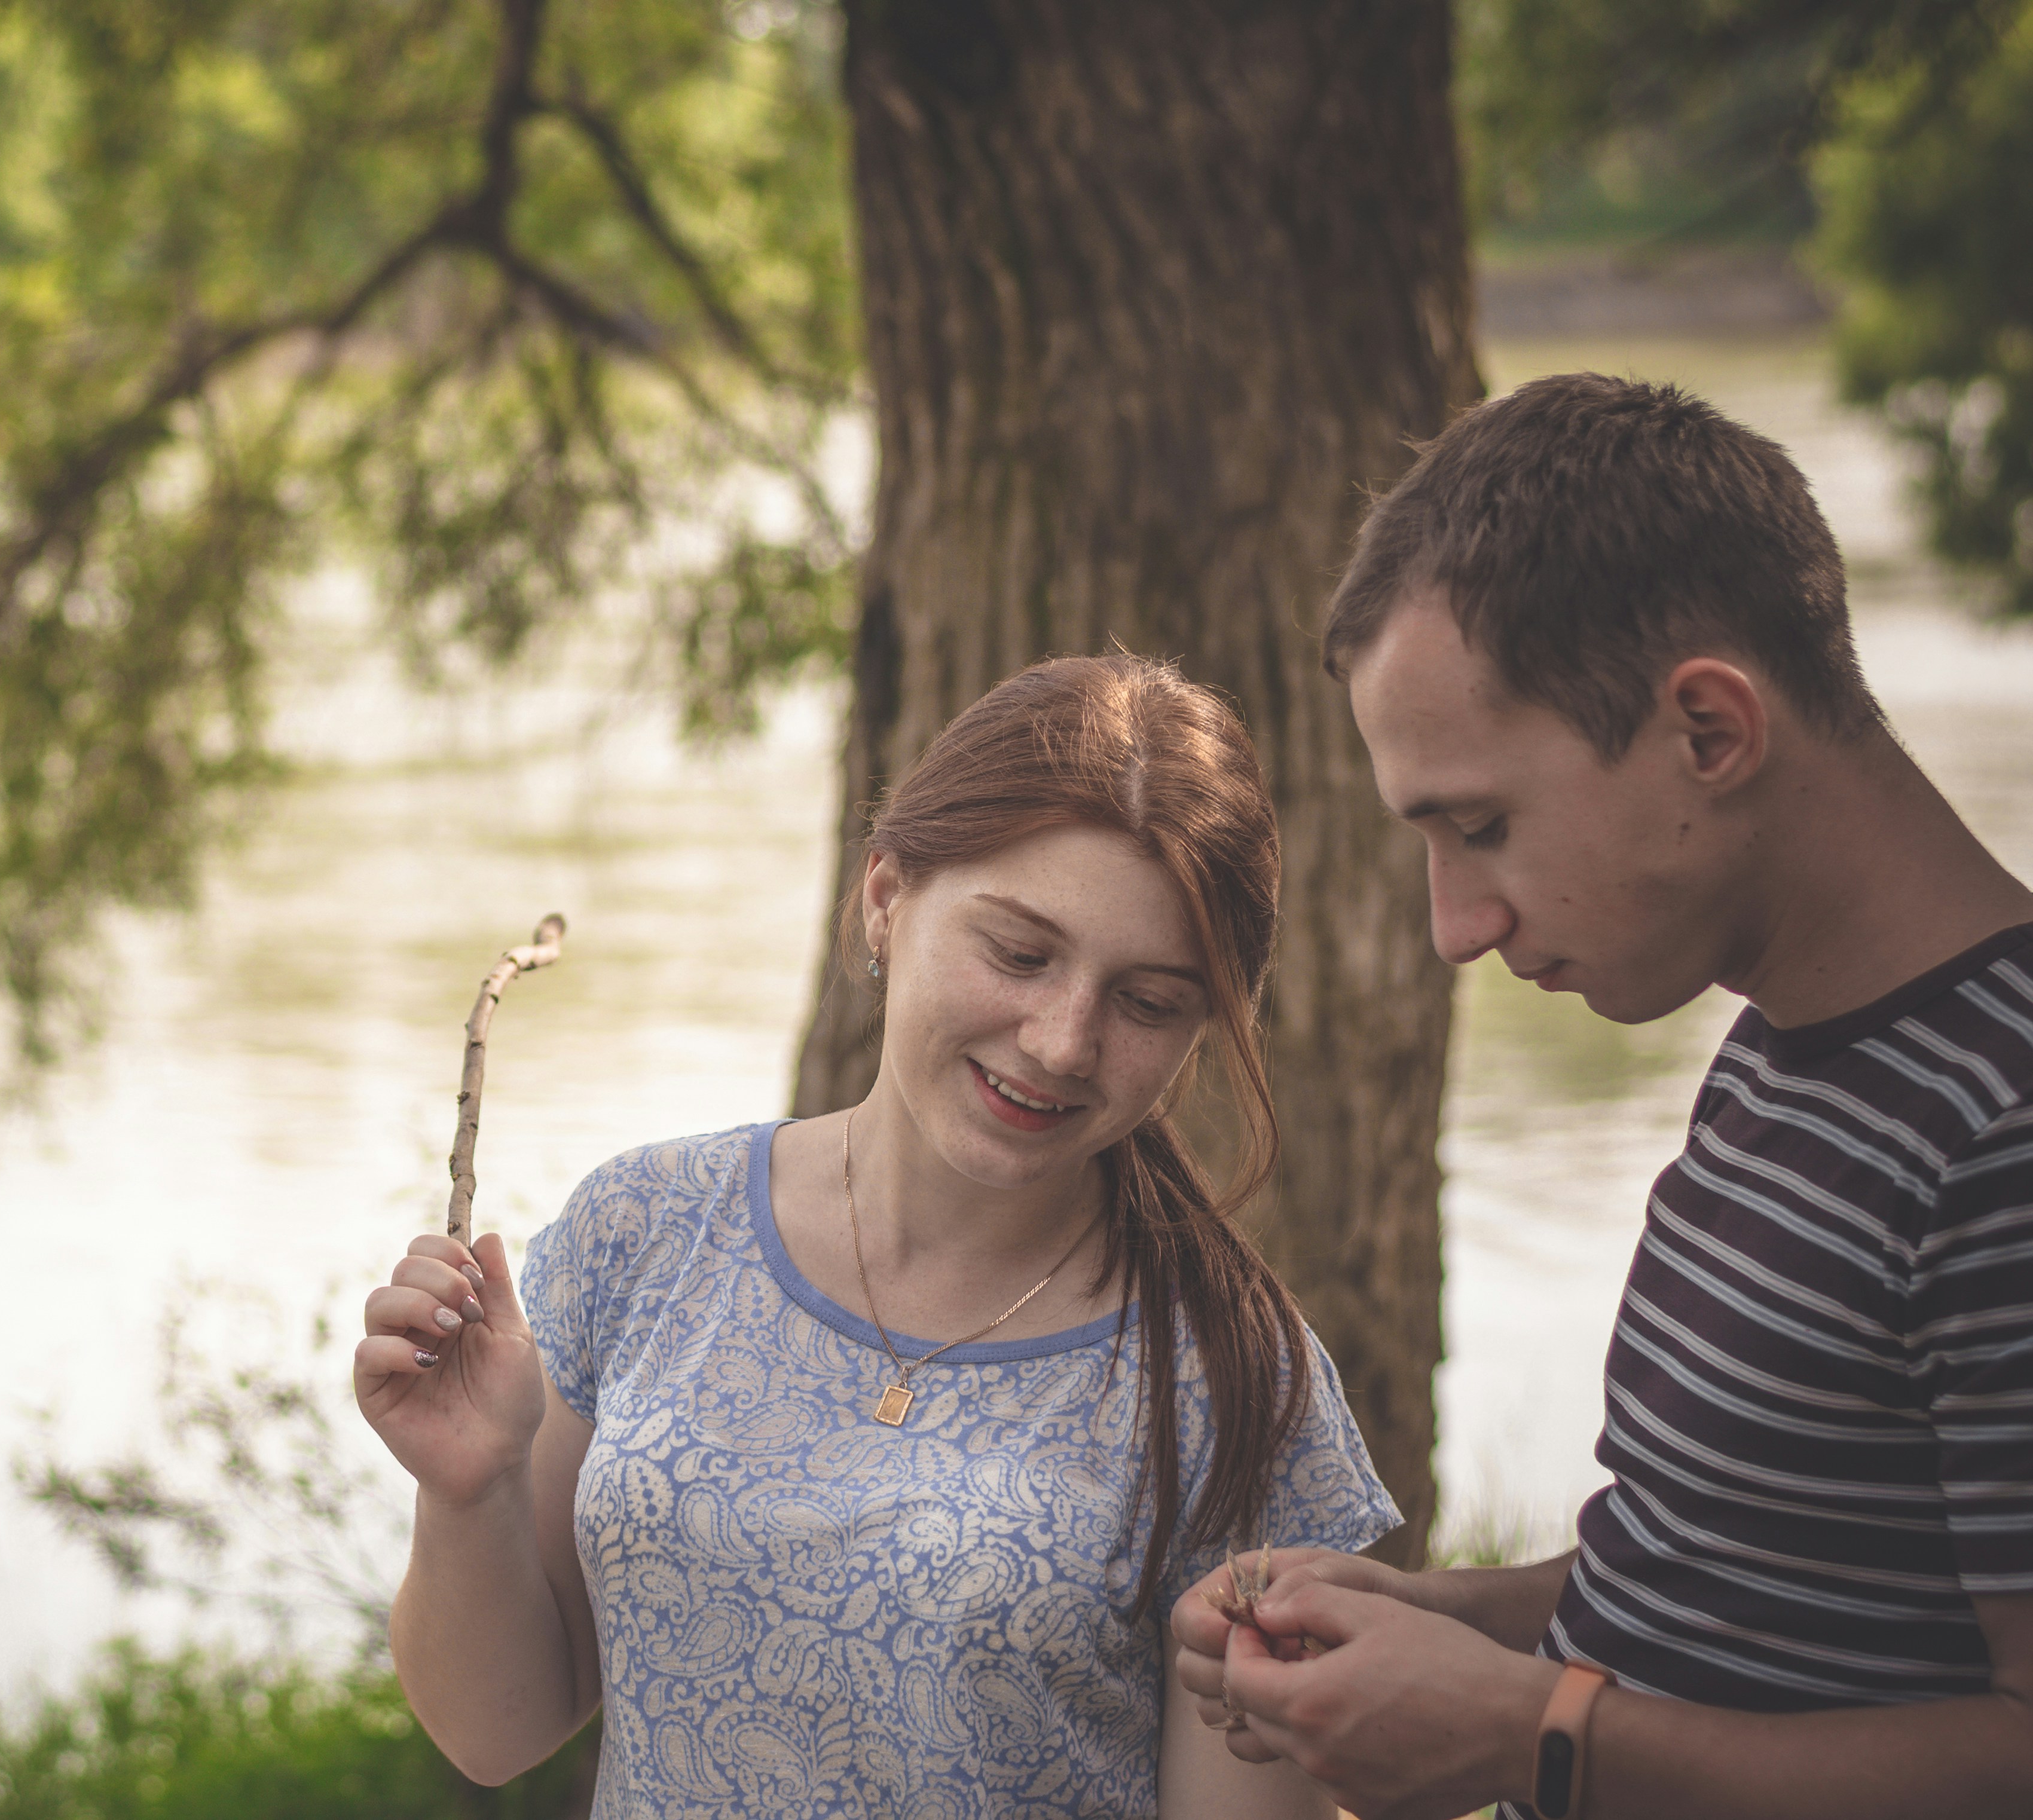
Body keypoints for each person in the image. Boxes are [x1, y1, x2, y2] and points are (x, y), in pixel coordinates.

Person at [1170, 372, 2033, 1819]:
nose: (1456, 925)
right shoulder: (1789, 1046)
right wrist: (1429, 1620)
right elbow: (1727, 1576)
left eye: (1482, 826)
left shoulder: (2001, 1127)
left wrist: (1540, 1736)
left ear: (1709, 730)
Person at [357, 652, 1400, 1818]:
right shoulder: (643, 1228)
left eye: (1147, 1001)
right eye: (1017, 952)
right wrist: (470, 1489)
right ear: (886, 897)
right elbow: (496, 1729)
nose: (1062, 1040)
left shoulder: (1232, 1371)